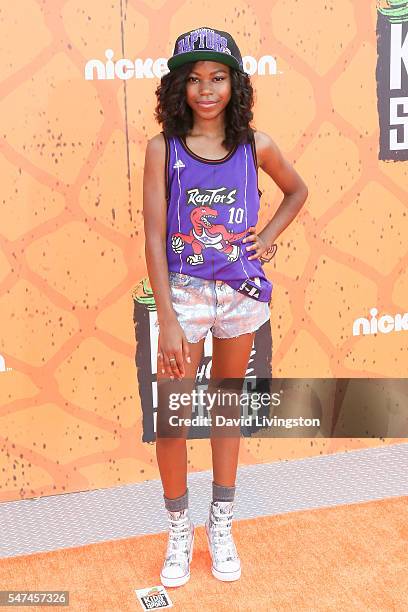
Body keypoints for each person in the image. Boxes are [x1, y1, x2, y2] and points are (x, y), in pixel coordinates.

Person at [143, 26, 308, 588]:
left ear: (234, 84)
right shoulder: (161, 149)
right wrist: (166, 317)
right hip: (183, 296)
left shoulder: (254, 146)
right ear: (179, 87)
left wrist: (266, 239)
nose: (206, 89)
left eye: (217, 78)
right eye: (194, 79)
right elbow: (152, 235)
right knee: (172, 419)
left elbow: (296, 191)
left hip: (240, 295)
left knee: (226, 410)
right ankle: (177, 531)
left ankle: (221, 524)